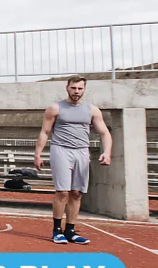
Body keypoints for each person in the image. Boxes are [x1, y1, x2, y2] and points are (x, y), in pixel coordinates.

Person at [34, 76, 112, 245]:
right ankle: (57, 230)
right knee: (62, 192)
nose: (76, 92)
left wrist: (107, 152)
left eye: (80, 89)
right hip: (61, 150)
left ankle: (70, 230)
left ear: (84, 90)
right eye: (73, 88)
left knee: (76, 193)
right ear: (67, 88)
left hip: (82, 152)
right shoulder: (55, 108)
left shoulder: (92, 110)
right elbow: (45, 132)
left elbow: (104, 133)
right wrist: (38, 154)